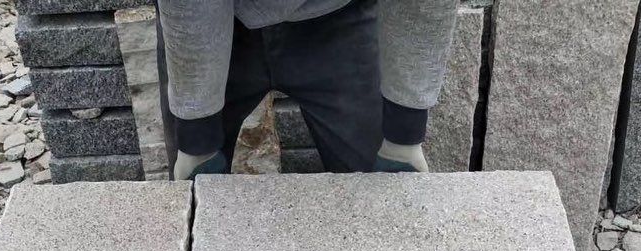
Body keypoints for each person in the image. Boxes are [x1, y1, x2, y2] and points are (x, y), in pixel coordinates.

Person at [154, 1, 459, 180]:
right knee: (197, 181)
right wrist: (197, 136)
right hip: (207, 22)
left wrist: (403, 135)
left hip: (340, 20)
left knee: (385, 194)